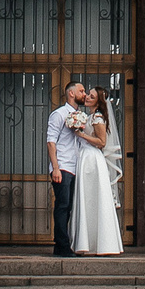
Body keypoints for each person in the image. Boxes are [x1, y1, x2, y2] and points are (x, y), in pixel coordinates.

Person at [69, 83, 124, 256]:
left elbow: (102, 142)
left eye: (91, 96)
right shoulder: (89, 116)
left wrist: (82, 134)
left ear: (98, 102)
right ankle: (87, 242)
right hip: (86, 158)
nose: (87, 97)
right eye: (87, 95)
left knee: (94, 198)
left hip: (93, 159)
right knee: (88, 199)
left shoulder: (98, 117)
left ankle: (101, 243)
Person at [45, 81, 88, 258]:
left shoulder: (80, 115)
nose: (84, 94)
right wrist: (55, 168)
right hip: (62, 166)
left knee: (69, 206)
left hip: (75, 166)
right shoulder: (59, 115)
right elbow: (51, 141)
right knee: (62, 206)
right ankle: (61, 245)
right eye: (81, 91)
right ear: (71, 93)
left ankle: (65, 244)